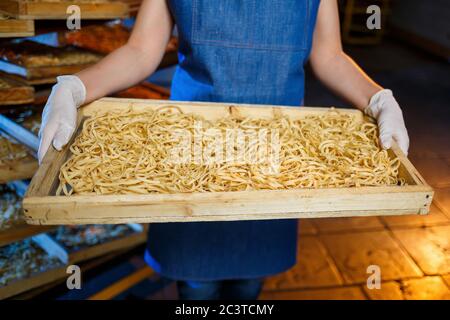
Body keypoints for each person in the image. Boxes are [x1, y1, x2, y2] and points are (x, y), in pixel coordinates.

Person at [38, 0, 409, 300]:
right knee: (197, 285)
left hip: (277, 158)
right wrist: (75, 87)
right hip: (190, 151)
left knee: (249, 284)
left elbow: (328, 56)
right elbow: (141, 51)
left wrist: (377, 98)